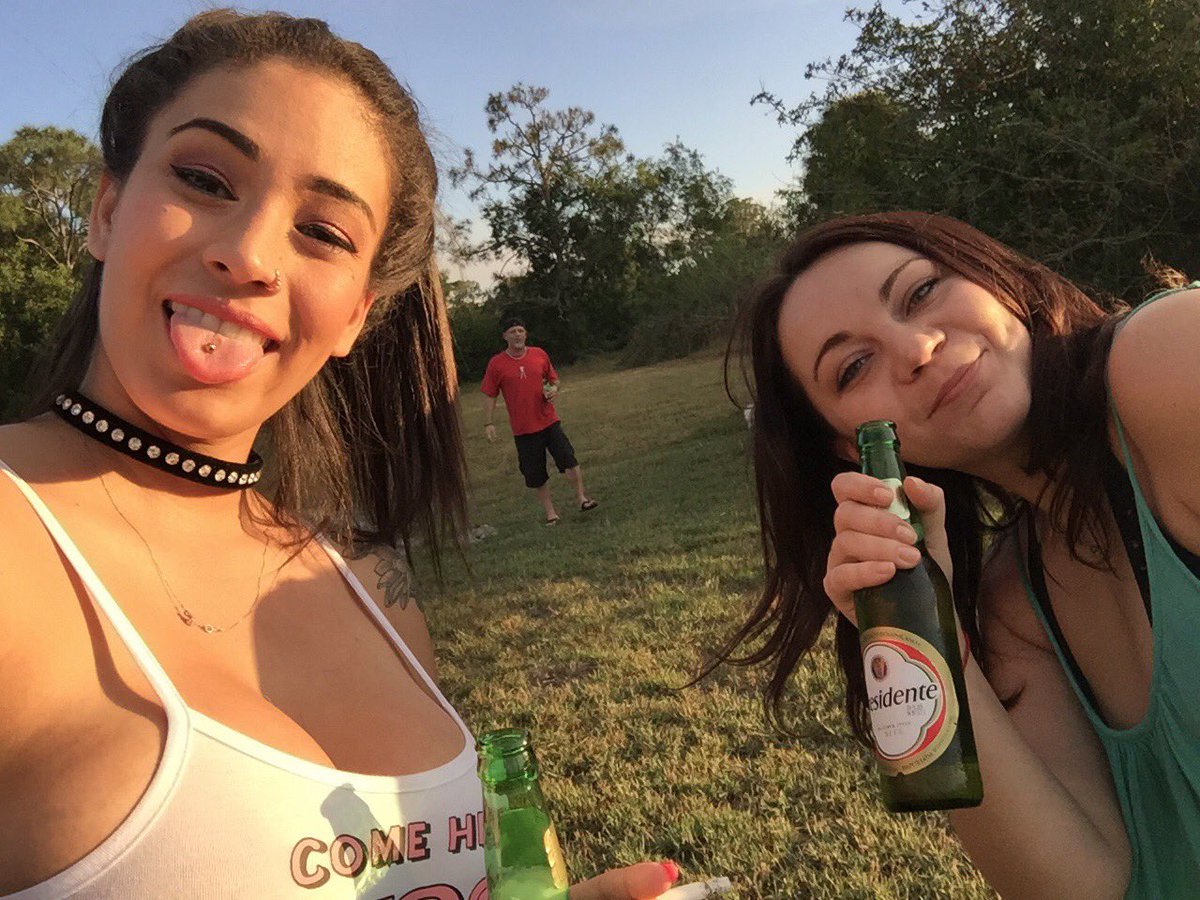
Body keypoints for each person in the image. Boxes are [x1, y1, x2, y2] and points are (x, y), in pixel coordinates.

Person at [0, 11, 679, 899]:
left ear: (358, 312)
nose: (248, 255)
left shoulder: (366, 580)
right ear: (106, 210)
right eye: (204, 179)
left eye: (324, 233)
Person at [715, 211, 1200, 898]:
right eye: (854, 367)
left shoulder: (1166, 362)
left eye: (921, 292)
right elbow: (1079, 887)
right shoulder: (1015, 607)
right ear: (849, 447)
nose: (917, 348)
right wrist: (923, 621)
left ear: (996, 279)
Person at [482, 317, 597, 525]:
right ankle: (550, 513)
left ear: (525, 334)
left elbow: (554, 380)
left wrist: (554, 389)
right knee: (536, 474)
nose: (517, 335)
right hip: (524, 429)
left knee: (569, 459)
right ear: (505, 336)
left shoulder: (539, 354)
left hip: (549, 421)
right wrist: (488, 423)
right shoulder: (496, 363)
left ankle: (582, 498)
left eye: (520, 330)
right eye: (513, 332)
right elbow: (490, 394)